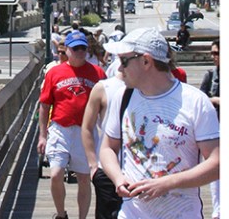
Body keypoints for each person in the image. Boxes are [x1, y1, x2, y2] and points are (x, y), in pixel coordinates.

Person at [100, 28, 219, 218]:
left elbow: (218, 163)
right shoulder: (123, 97)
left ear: (146, 61)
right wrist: (118, 178)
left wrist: (168, 183)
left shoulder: (195, 101)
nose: (119, 69)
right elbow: (107, 148)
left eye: (124, 61)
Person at [38, 30, 106, 219]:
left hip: (86, 131)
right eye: (75, 48)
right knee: (56, 174)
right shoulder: (54, 73)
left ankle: (82, 217)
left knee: (84, 178)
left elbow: (107, 105)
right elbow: (44, 105)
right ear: (66, 50)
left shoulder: (98, 73)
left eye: (83, 48)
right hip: (60, 129)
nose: (79, 52)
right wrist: (42, 135)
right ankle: (61, 214)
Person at [81, 72, 127, 219]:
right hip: (107, 168)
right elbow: (87, 126)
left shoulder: (148, 88)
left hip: (139, 171)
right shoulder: (103, 87)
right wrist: (93, 165)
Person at [200, 40, 221, 219]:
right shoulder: (210, 75)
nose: (214, 57)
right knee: (216, 167)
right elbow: (202, 97)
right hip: (216, 126)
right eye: (212, 53)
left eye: (217, 53)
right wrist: (216, 100)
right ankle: (218, 209)